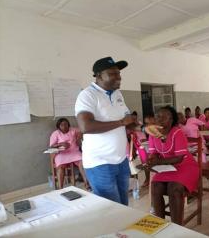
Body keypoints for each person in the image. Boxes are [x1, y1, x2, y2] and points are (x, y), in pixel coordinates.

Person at [75, 56, 137, 205]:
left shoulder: (117, 94)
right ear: (98, 76)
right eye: (113, 74)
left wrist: (141, 126)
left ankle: (122, 229)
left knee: (123, 204)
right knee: (111, 206)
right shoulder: (87, 95)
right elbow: (85, 127)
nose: (119, 78)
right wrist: (121, 122)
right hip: (100, 163)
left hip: (121, 160)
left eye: (119, 73)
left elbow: (127, 120)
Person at [147, 106, 199, 225]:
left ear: (171, 120)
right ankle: (160, 224)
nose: (159, 119)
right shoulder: (153, 133)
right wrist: (151, 160)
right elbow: (153, 153)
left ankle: (177, 226)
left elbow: (179, 158)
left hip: (185, 166)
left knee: (174, 188)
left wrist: (158, 162)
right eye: (157, 116)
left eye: (163, 117)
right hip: (167, 167)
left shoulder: (177, 132)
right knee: (155, 186)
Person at [49, 118, 89, 189]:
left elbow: (82, 130)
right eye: (62, 125)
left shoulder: (73, 130)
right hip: (62, 154)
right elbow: (51, 146)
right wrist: (61, 144)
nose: (64, 126)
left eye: (66, 124)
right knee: (61, 167)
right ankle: (60, 188)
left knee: (83, 163)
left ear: (68, 125)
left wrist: (79, 137)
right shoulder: (55, 133)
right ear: (58, 126)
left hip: (74, 152)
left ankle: (87, 183)